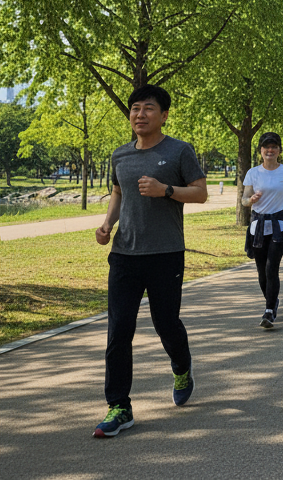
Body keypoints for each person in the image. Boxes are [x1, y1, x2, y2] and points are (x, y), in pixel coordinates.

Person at [92, 85, 208, 438]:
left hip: (165, 253)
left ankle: (181, 366)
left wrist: (166, 190)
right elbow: (118, 191)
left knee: (166, 323)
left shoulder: (178, 151)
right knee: (118, 331)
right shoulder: (120, 155)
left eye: (148, 108)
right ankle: (119, 406)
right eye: (134, 109)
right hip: (125, 254)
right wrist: (108, 223)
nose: (139, 114)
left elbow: (201, 192)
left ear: (164, 115)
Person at [242, 132, 283, 327]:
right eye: (266, 147)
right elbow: (244, 200)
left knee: (271, 267)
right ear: (261, 150)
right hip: (258, 226)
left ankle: (269, 311)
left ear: (279, 150)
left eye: (274, 146)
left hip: (280, 225)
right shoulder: (253, 173)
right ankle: (272, 301)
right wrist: (250, 200)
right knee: (261, 271)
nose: (270, 150)